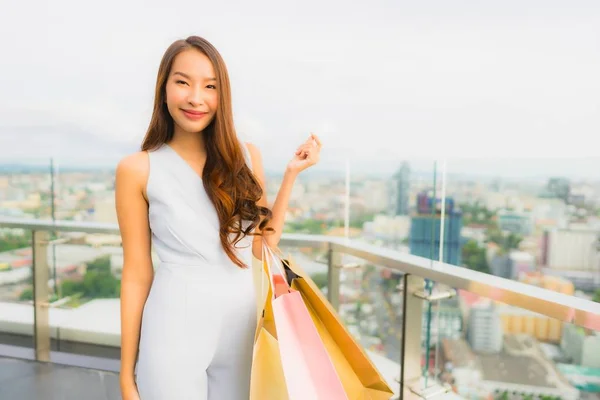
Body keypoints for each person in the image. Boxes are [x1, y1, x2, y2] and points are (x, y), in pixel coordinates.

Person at [115, 35, 322, 400]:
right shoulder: (138, 169)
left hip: (243, 330)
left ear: (221, 95)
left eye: (210, 86)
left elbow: (262, 247)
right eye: (182, 82)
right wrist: (125, 373)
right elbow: (136, 273)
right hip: (173, 329)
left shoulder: (245, 156)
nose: (196, 97)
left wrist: (291, 174)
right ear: (163, 89)